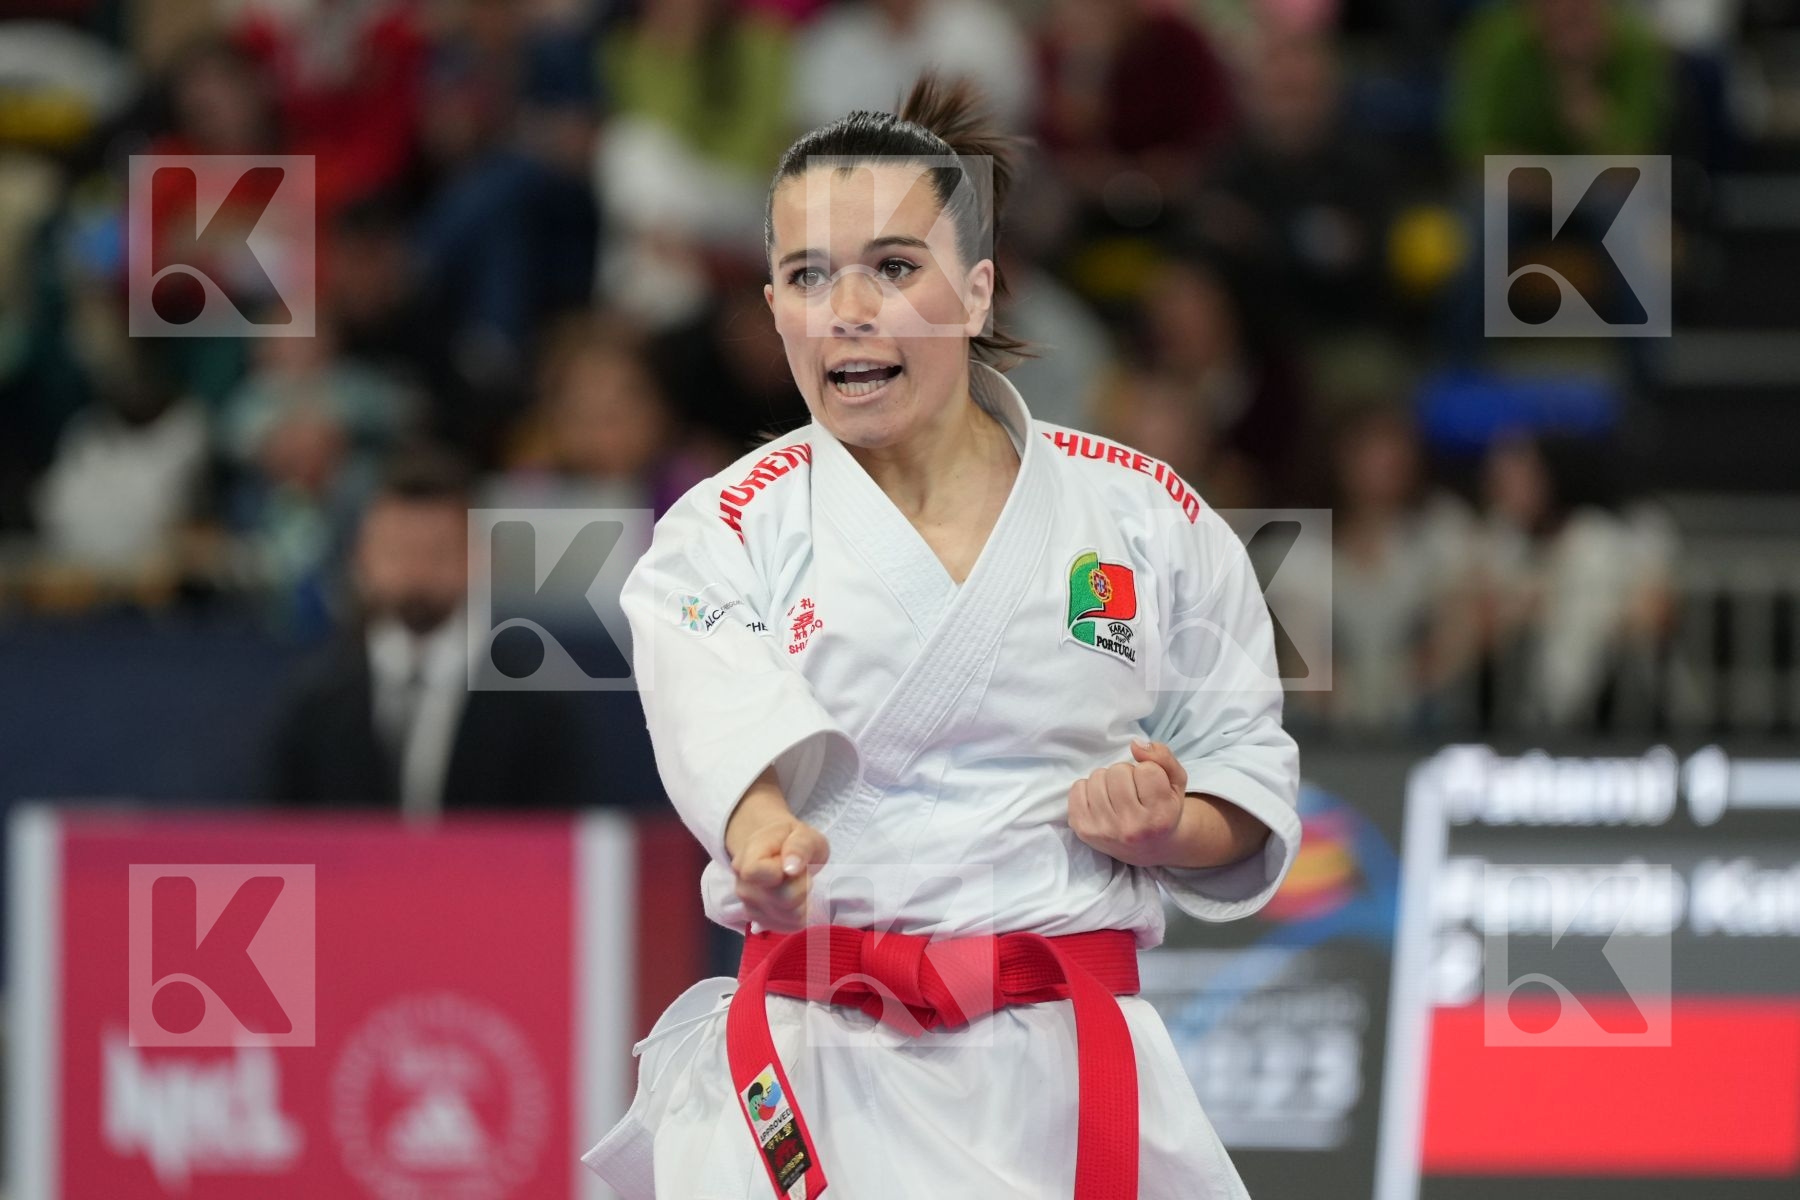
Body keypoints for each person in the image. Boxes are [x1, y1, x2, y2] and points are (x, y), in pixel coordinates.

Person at [581, 76, 1300, 1199]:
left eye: (893, 267)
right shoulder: (721, 531)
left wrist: (1168, 823)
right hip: (818, 1059)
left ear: (975, 290)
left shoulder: (1143, 515)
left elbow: (1244, 771)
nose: (848, 310)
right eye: (808, 276)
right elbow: (718, 734)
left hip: (1064, 1068)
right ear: (772, 306)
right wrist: (764, 836)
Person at [265, 448, 590, 818]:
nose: (416, 571)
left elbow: (557, 843)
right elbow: (284, 838)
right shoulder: (313, 704)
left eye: (437, 552)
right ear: (362, 558)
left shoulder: (537, 705)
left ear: (479, 557)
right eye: (398, 551)